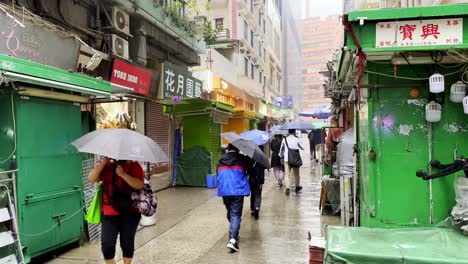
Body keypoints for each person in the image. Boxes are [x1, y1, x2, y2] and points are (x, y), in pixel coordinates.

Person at [88, 157, 144, 264]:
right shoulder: (107, 165)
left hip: (130, 211)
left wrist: (123, 174)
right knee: (107, 243)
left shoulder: (134, 165)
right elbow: (91, 178)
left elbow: (140, 185)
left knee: (127, 242)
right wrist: (104, 163)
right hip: (109, 211)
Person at [217, 144, 252, 252]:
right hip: (238, 190)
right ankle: (232, 239)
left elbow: (217, 173)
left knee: (231, 213)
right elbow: (251, 171)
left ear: (228, 149)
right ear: (238, 149)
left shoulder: (221, 159)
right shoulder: (242, 159)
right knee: (235, 214)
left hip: (225, 190)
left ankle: (234, 231)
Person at [279, 129, 304, 196]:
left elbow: (282, 150)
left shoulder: (285, 139)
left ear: (288, 132)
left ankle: (287, 187)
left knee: (287, 174)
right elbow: (302, 147)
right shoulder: (297, 139)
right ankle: (297, 186)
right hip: (295, 159)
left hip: (287, 159)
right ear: (294, 132)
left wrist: (281, 157)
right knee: (296, 174)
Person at [249, 145, 266, 220]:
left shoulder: (251, 157)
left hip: (252, 178)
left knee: (253, 193)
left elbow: (248, 167)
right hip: (260, 179)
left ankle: (252, 209)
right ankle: (257, 207)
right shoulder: (263, 158)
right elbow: (265, 167)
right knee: (258, 194)